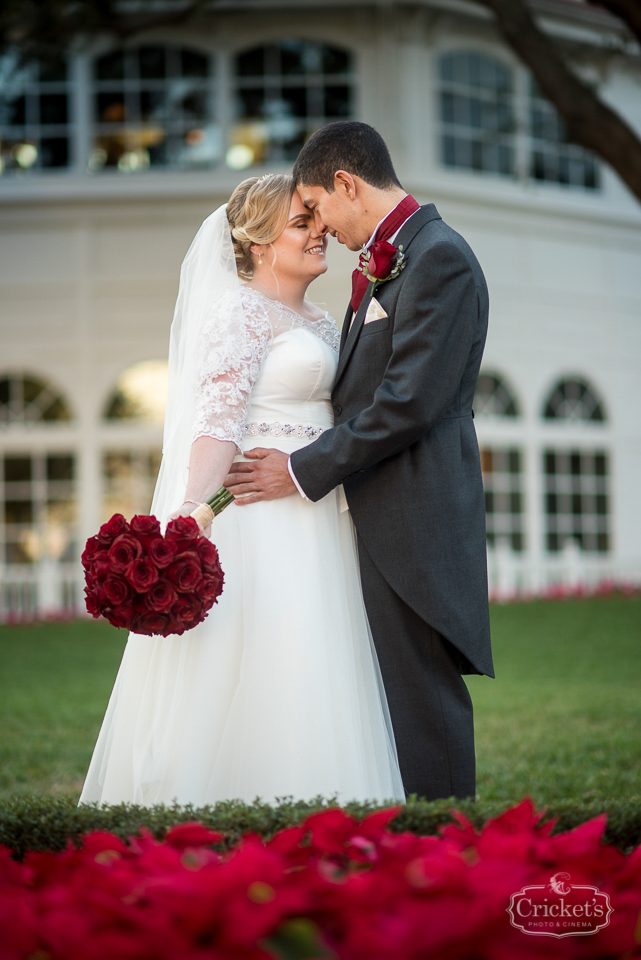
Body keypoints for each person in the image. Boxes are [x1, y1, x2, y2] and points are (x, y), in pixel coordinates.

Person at [79, 173, 404, 807]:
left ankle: (327, 810)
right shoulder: (240, 313)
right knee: (260, 657)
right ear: (256, 242)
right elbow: (216, 425)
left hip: (317, 515)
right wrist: (187, 518)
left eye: (317, 221)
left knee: (314, 663)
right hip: (259, 520)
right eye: (301, 223)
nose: (319, 234)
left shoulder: (319, 321)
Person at [225, 122, 494, 802]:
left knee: (420, 697)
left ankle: (446, 848)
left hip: (415, 508)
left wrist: (297, 469)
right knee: (385, 698)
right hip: (373, 507)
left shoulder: (438, 257)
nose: (318, 227)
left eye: (314, 208)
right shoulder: (388, 259)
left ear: (346, 184)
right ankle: (401, 848)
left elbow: (409, 403)